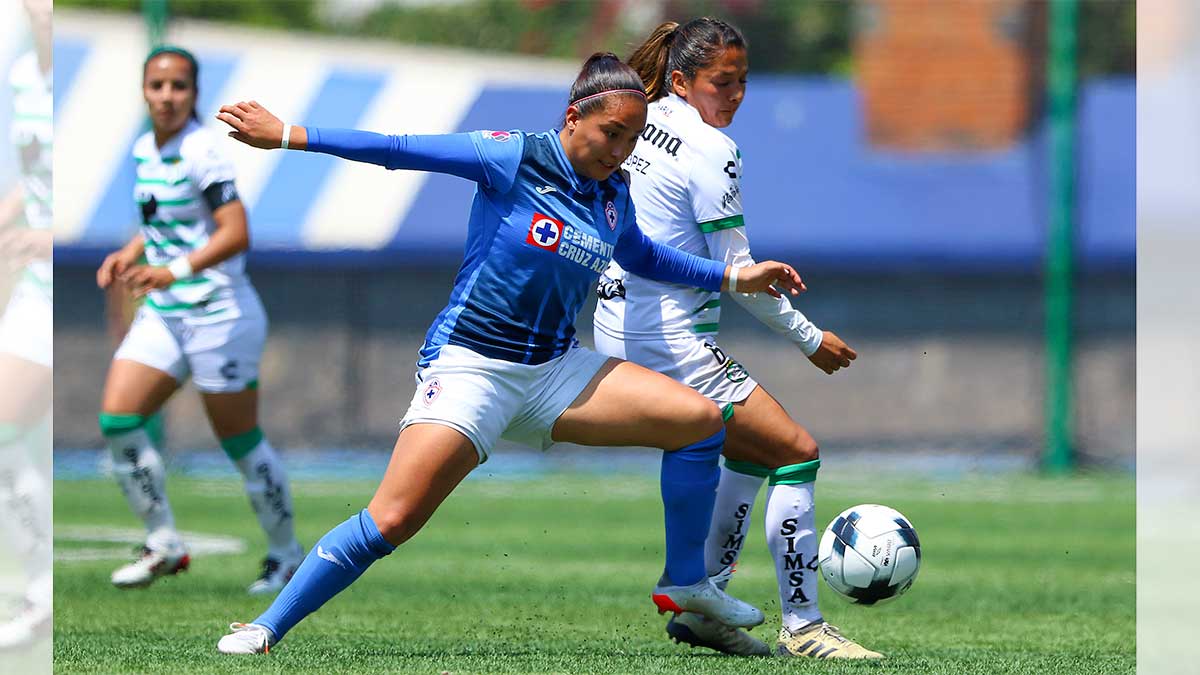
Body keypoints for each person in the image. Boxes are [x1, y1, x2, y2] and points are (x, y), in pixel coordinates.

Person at [212, 52, 806, 654]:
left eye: (630, 138)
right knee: (391, 520)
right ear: (574, 116)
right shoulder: (513, 155)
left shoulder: (612, 192)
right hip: (473, 367)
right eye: (611, 133)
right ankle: (266, 628)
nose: (620, 150)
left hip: (554, 370)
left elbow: (645, 256)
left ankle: (686, 582)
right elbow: (397, 146)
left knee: (700, 420)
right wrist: (287, 135)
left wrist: (735, 278)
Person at [593, 18, 881, 659]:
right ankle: (804, 626)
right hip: (666, 338)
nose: (736, 95)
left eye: (744, 81)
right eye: (723, 82)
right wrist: (811, 339)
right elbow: (741, 277)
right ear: (681, 79)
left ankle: (704, 602)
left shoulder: (643, 119)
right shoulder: (710, 150)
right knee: (796, 452)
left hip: (621, 325)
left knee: (748, 453)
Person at [96, 46, 304, 595]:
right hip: (166, 314)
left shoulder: (203, 151)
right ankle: (163, 542)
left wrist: (174, 270)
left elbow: (235, 233)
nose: (167, 96)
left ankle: (285, 555)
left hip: (220, 315)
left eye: (178, 87)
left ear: (194, 93)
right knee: (118, 420)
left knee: (239, 441)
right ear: (144, 90)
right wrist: (131, 252)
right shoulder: (145, 148)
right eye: (158, 85)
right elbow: (165, 223)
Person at [0, 0, 53, 650]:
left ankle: (40, 593)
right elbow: (33, 181)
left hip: (52, 290)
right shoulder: (20, 78)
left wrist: (47, 235)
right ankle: (37, 588)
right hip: (29, 288)